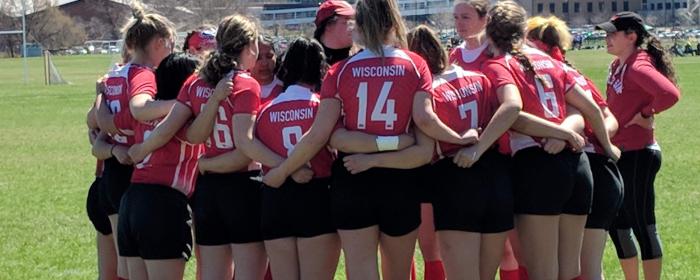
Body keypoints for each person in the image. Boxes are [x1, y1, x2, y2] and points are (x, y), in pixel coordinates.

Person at [482, 2, 620, 279]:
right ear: (523, 30)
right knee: (570, 271)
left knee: (543, 271)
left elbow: (514, 116)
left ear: (489, 32)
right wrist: (606, 146)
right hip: (579, 167)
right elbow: (590, 109)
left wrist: (560, 134)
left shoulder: (499, 65)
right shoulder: (552, 62)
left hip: (537, 166)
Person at [407, 25, 521, 280]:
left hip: (454, 175)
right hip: (495, 174)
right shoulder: (479, 78)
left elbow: (423, 127)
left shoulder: (425, 92)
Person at [526, 15, 623, 280]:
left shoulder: (547, 73)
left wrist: (569, 134)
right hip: (600, 169)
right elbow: (608, 118)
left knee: (573, 268)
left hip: (583, 167)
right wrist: (604, 141)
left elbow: (584, 116)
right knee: (586, 268)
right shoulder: (572, 71)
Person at [91, 4, 176, 279]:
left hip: (112, 172)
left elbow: (93, 120)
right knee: (136, 267)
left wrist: (110, 124)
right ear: (160, 42)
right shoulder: (143, 74)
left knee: (125, 266)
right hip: (130, 172)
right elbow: (141, 108)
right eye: (171, 44)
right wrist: (179, 104)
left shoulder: (115, 74)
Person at [596, 12, 681, 280]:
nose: (607, 38)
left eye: (613, 34)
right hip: (619, 152)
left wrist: (646, 114)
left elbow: (669, 94)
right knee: (618, 225)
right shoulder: (618, 66)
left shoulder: (638, 65)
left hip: (639, 155)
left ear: (631, 36)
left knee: (642, 224)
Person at [255, 37, 341, 280]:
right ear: (320, 68)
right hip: (316, 196)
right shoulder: (321, 108)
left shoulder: (264, 110)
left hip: (275, 199)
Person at [449, 0, 490, 72]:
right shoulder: (454, 55)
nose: (459, 23)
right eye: (456, 17)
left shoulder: (496, 52)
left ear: (484, 19)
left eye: (465, 17)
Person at [313, 0, 355, 65]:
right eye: (347, 21)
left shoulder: (360, 60)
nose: (353, 26)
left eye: (354, 20)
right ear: (328, 25)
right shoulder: (308, 61)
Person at [253, 34, 284, 104]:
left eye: (269, 56)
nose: (264, 63)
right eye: (258, 58)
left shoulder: (285, 88)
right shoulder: (239, 87)